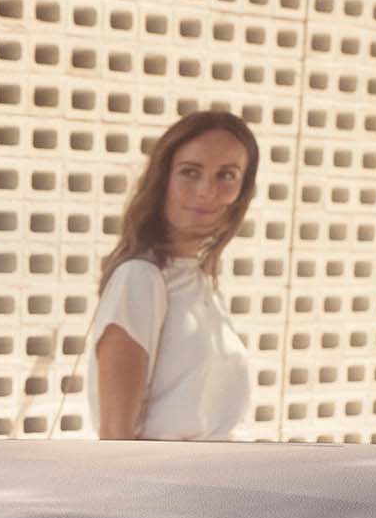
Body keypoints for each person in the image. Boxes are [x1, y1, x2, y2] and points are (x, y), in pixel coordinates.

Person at [86, 111, 261, 441]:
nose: (206, 191)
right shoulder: (140, 279)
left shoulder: (202, 279)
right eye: (190, 172)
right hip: (171, 484)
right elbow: (115, 436)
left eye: (227, 175)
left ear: (242, 189)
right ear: (162, 178)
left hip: (220, 480)